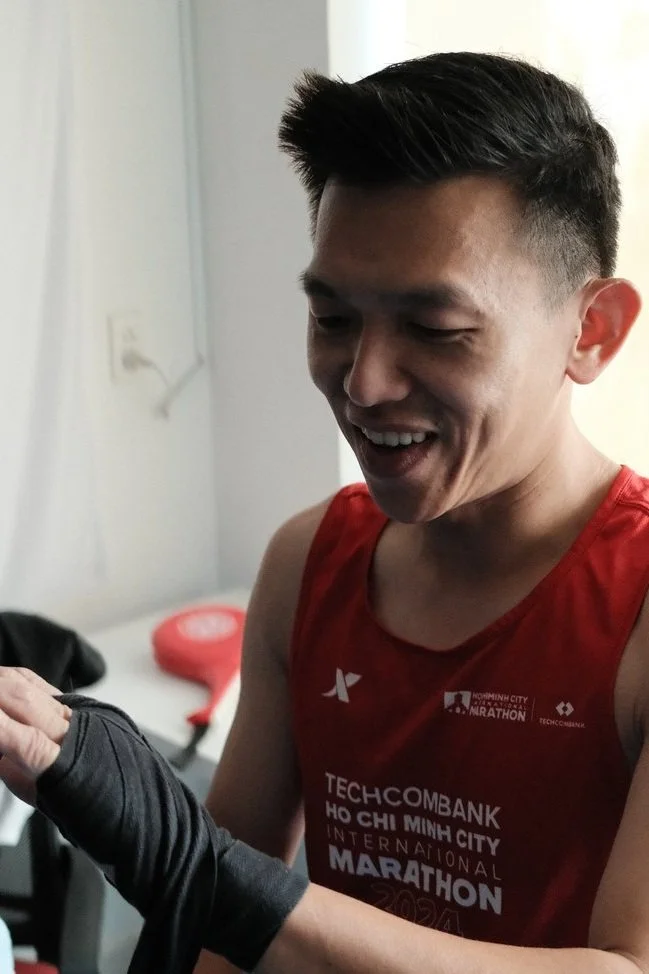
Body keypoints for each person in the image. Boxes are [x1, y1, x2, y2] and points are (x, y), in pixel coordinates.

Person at [1, 50, 649, 974]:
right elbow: (216, 933)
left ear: (590, 332)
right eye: (333, 319)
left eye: (435, 331)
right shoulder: (309, 562)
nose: (363, 382)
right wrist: (198, 881)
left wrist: (209, 874)